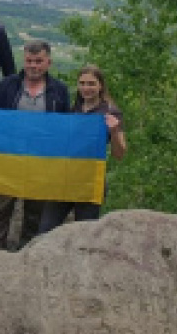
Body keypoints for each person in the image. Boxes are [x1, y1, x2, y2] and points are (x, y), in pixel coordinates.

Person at [0, 40, 70, 251]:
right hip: (8, 159)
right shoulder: (8, 85)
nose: (33, 66)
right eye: (29, 61)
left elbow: (67, 125)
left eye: (38, 61)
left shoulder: (59, 90)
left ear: (48, 62)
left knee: (35, 213)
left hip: (40, 161)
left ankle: (27, 255)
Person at [39, 64, 127, 233]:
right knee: (46, 229)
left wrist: (115, 131)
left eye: (91, 83)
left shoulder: (109, 112)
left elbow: (119, 154)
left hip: (90, 182)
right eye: (82, 83)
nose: (86, 88)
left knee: (84, 234)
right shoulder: (73, 109)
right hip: (65, 178)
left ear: (101, 85)